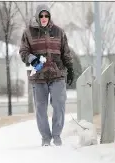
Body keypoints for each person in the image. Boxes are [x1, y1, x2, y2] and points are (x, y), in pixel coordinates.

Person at [19, 4, 74, 146]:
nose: (44, 18)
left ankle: (56, 137)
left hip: (57, 75)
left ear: (49, 17)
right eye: (41, 15)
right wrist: (32, 58)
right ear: (37, 17)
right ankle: (45, 138)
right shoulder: (29, 33)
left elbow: (66, 53)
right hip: (38, 77)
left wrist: (70, 68)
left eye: (46, 15)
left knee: (59, 105)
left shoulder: (59, 32)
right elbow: (23, 52)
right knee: (40, 109)